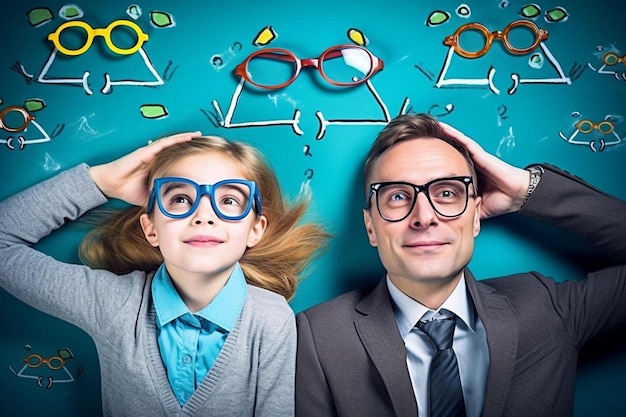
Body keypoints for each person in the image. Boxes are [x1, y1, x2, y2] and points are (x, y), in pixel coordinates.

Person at [295, 113, 626, 417]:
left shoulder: (547, 307)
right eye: (397, 196)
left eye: (448, 193)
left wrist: (524, 191)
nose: (424, 217)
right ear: (371, 226)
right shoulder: (319, 336)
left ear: (476, 216)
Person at [0, 133, 329, 416]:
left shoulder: (271, 319)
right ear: (151, 229)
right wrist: (102, 182)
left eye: (229, 199)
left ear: (255, 230)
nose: (204, 215)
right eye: (181, 198)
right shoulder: (110, 302)